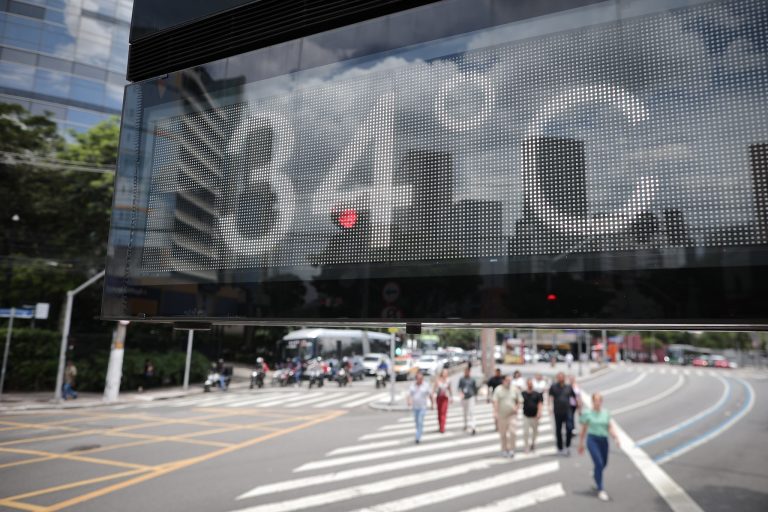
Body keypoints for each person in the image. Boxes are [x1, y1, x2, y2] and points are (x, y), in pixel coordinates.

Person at [578, 392, 620, 502]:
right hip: (592, 440)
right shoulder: (587, 413)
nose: (597, 402)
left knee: (604, 463)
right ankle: (600, 489)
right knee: (599, 463)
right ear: (592, 401)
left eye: (599, 400)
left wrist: (616, 438)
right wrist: (581, 444)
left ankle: (596, 474)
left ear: (601, 401)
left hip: (604, 440)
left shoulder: (606, 413)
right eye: (595, 400)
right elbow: (583, 429)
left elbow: (609, 427)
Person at [492, 374, 522, 457]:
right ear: (503, 381)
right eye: (507, 380)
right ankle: (504, 449)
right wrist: (495, 412)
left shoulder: (514, 389)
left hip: (512, 414)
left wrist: (517, 407)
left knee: (513, 432)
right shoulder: (498, 389)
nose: (509, 382)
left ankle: (512, 449)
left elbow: (519, 400)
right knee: (503, 434)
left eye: (510, 380)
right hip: (502, 415)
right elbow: (495, 401)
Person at [549, 372, 576, 456]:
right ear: (557, 378)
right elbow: (550, 397)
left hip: (567, 411)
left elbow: (574, 397)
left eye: (562, 377)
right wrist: (550, 407)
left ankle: (567, 446)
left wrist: (578, 406)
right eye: (559, 377)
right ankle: (560, 447)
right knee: (558, 430)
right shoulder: (553, 387)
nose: (560, 378)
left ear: (564, 378)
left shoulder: (568, 387)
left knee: (569, 428)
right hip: (558, 411)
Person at [407, 372, 432, 444]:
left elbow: (430, 394)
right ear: (416, 379)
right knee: (417, 422)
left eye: (421, 378)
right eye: (418, 378)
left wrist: (432, 404)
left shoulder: (425, 385)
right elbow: (409, 394)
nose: (420, 380)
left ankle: (418, 437)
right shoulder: (413, 386)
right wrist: (409, 401)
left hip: (423, 407)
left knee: (420, 421)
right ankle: (419, 432)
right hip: (415, 407)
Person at [521, 378, 543, 452]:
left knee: (535, 432)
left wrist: (539, 412)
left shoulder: (537, 394)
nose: (530, 385)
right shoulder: (523, 393)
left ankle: (533, 443)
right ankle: (526, 446)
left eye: (531, 383)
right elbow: (519, 401)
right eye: (529, 383)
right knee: (526, 432)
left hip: (535, 416)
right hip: (526, 415)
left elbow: (540, 403)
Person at [458, 366, 478, 435]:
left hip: (471, 397)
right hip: (464, 398)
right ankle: (465, 425)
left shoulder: (472, 379)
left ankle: (473, 426)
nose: (467, 372)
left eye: (468, 371)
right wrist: (461, 394)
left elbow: (475, 388)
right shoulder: (462, 379)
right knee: (465, 412)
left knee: (471, 412)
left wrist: (475, 396)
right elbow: (459, 388)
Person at [432, 368, 452, 433]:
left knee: (443, 412)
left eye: (446, 373)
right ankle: (440, 425)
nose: (445, 374)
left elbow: (449, 389)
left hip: (445, 398)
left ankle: (442, 428)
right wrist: (433, 398)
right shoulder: (438, 380)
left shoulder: (448, 380)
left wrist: (451, 397)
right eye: (444, 373)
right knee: (439, 412)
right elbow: (434, 389)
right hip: (439, 397)